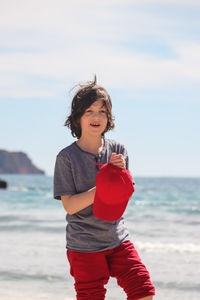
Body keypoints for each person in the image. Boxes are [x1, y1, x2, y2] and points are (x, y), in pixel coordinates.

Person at [53, 76, 155, 300]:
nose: (96, 116)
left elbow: (123, 197)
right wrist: (104, 184)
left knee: (144, 290)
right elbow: (69, 206)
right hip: (84, 244)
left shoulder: (118, 150)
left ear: (109, 118)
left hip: (118, 239)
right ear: (77, 117)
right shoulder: (66, 157)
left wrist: (119, 175)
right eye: (89, 111)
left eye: (102, 111)